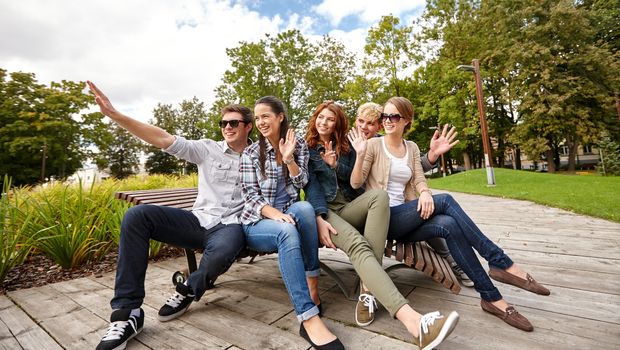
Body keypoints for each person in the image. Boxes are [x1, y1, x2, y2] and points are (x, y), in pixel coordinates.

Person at [349, 96, 551, 332]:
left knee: (449, 225)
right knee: (445, 200)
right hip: (385, 220)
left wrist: (424, 192)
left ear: (406, 121)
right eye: (385, 116)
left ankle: (492, 298)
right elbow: (356, 183)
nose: (387, 120)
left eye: (394, 116)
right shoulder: (373, 145)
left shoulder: (411, 147)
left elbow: (418, 177)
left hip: (407, 218)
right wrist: (361, 154)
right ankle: (500, 261)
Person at [88, 81, 252, 350]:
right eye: (223, 124)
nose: (228, 128)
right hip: (199, 220)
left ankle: (188, 288)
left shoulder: (260, 156)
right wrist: (117, 115)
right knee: (137, 216)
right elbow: (163, 138)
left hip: (232, 225)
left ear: (248, 126)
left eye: (234, 123)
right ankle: (128, 314)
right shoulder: (207, 148)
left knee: (224, 249)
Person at [303, 101, 460, 349]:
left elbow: (360, 176)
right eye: (320, 117)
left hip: (351, 207)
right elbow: (310, 186)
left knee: (380, 196)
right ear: (314, 120)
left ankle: (369, 289)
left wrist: (337, 163)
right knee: (359, 245)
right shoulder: (306, 148)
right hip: (327, 211)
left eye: (330, 119)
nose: (324, 122)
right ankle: (414, 322)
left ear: (338, 123)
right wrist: (318, 218)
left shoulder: (350, 143)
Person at [239, 96, 344, 350]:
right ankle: (308, 318)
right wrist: (276, 215)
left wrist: (289, 159)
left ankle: (312, 288)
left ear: (280, 117)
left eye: (266, 116)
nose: (261, 121)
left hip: (289, 215)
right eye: (258, 117)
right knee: (287, 229)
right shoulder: (251, 153)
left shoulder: (297, 146)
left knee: (306, 209)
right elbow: (250, 197)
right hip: (258, 223)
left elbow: (301, 184)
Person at [355, 102, 474, 288]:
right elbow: (353, 181)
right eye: (361, 121)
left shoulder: (386, 141)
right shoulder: (357, 146)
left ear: (379, 126)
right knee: (443, 201)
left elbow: (408, 167)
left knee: (445, 222)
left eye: (371, 123)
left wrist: (432, 157)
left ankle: (458, 263)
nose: (364, 127)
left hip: (401, 213)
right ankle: (488, 251)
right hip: (371, 215)